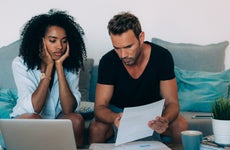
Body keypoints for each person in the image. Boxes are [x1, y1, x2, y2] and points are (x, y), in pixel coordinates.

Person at [89, 12, 188, 144]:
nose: (123, 55)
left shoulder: (162, 56)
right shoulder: (108, 61)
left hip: (153, 114)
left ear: (141, 37)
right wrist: (115, 117)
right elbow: (100, 107)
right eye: (117, 48)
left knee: (181, 126)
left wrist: (164, 119)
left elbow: (172, 103)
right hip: (120, 114)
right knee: (96, 128)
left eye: (128, 46)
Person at [10, 9, 86, 147]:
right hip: (28, 118)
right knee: (34, 119)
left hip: (57, 119)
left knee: (76, 119)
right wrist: (49, 67)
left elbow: (69, 109)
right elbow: (34, 109)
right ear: (40, 41)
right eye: (53, 40)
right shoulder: (20, 64)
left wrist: (59, 67)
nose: (60, 47)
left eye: (64, 41)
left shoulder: (72, 64)